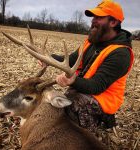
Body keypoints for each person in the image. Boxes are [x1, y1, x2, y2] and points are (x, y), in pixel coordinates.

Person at [41, 0, 134, 131]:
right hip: (83, 89)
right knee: (54, 106)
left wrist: (72, 80)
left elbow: (97, 86)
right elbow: (72, 60)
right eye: (94, 17)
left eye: (99, 17)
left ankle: (98, 124)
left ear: (113, 22)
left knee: (70, 113)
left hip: (101, 99)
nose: (93, 21)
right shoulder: (91, 42)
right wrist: (49, 58)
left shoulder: (120, 53)